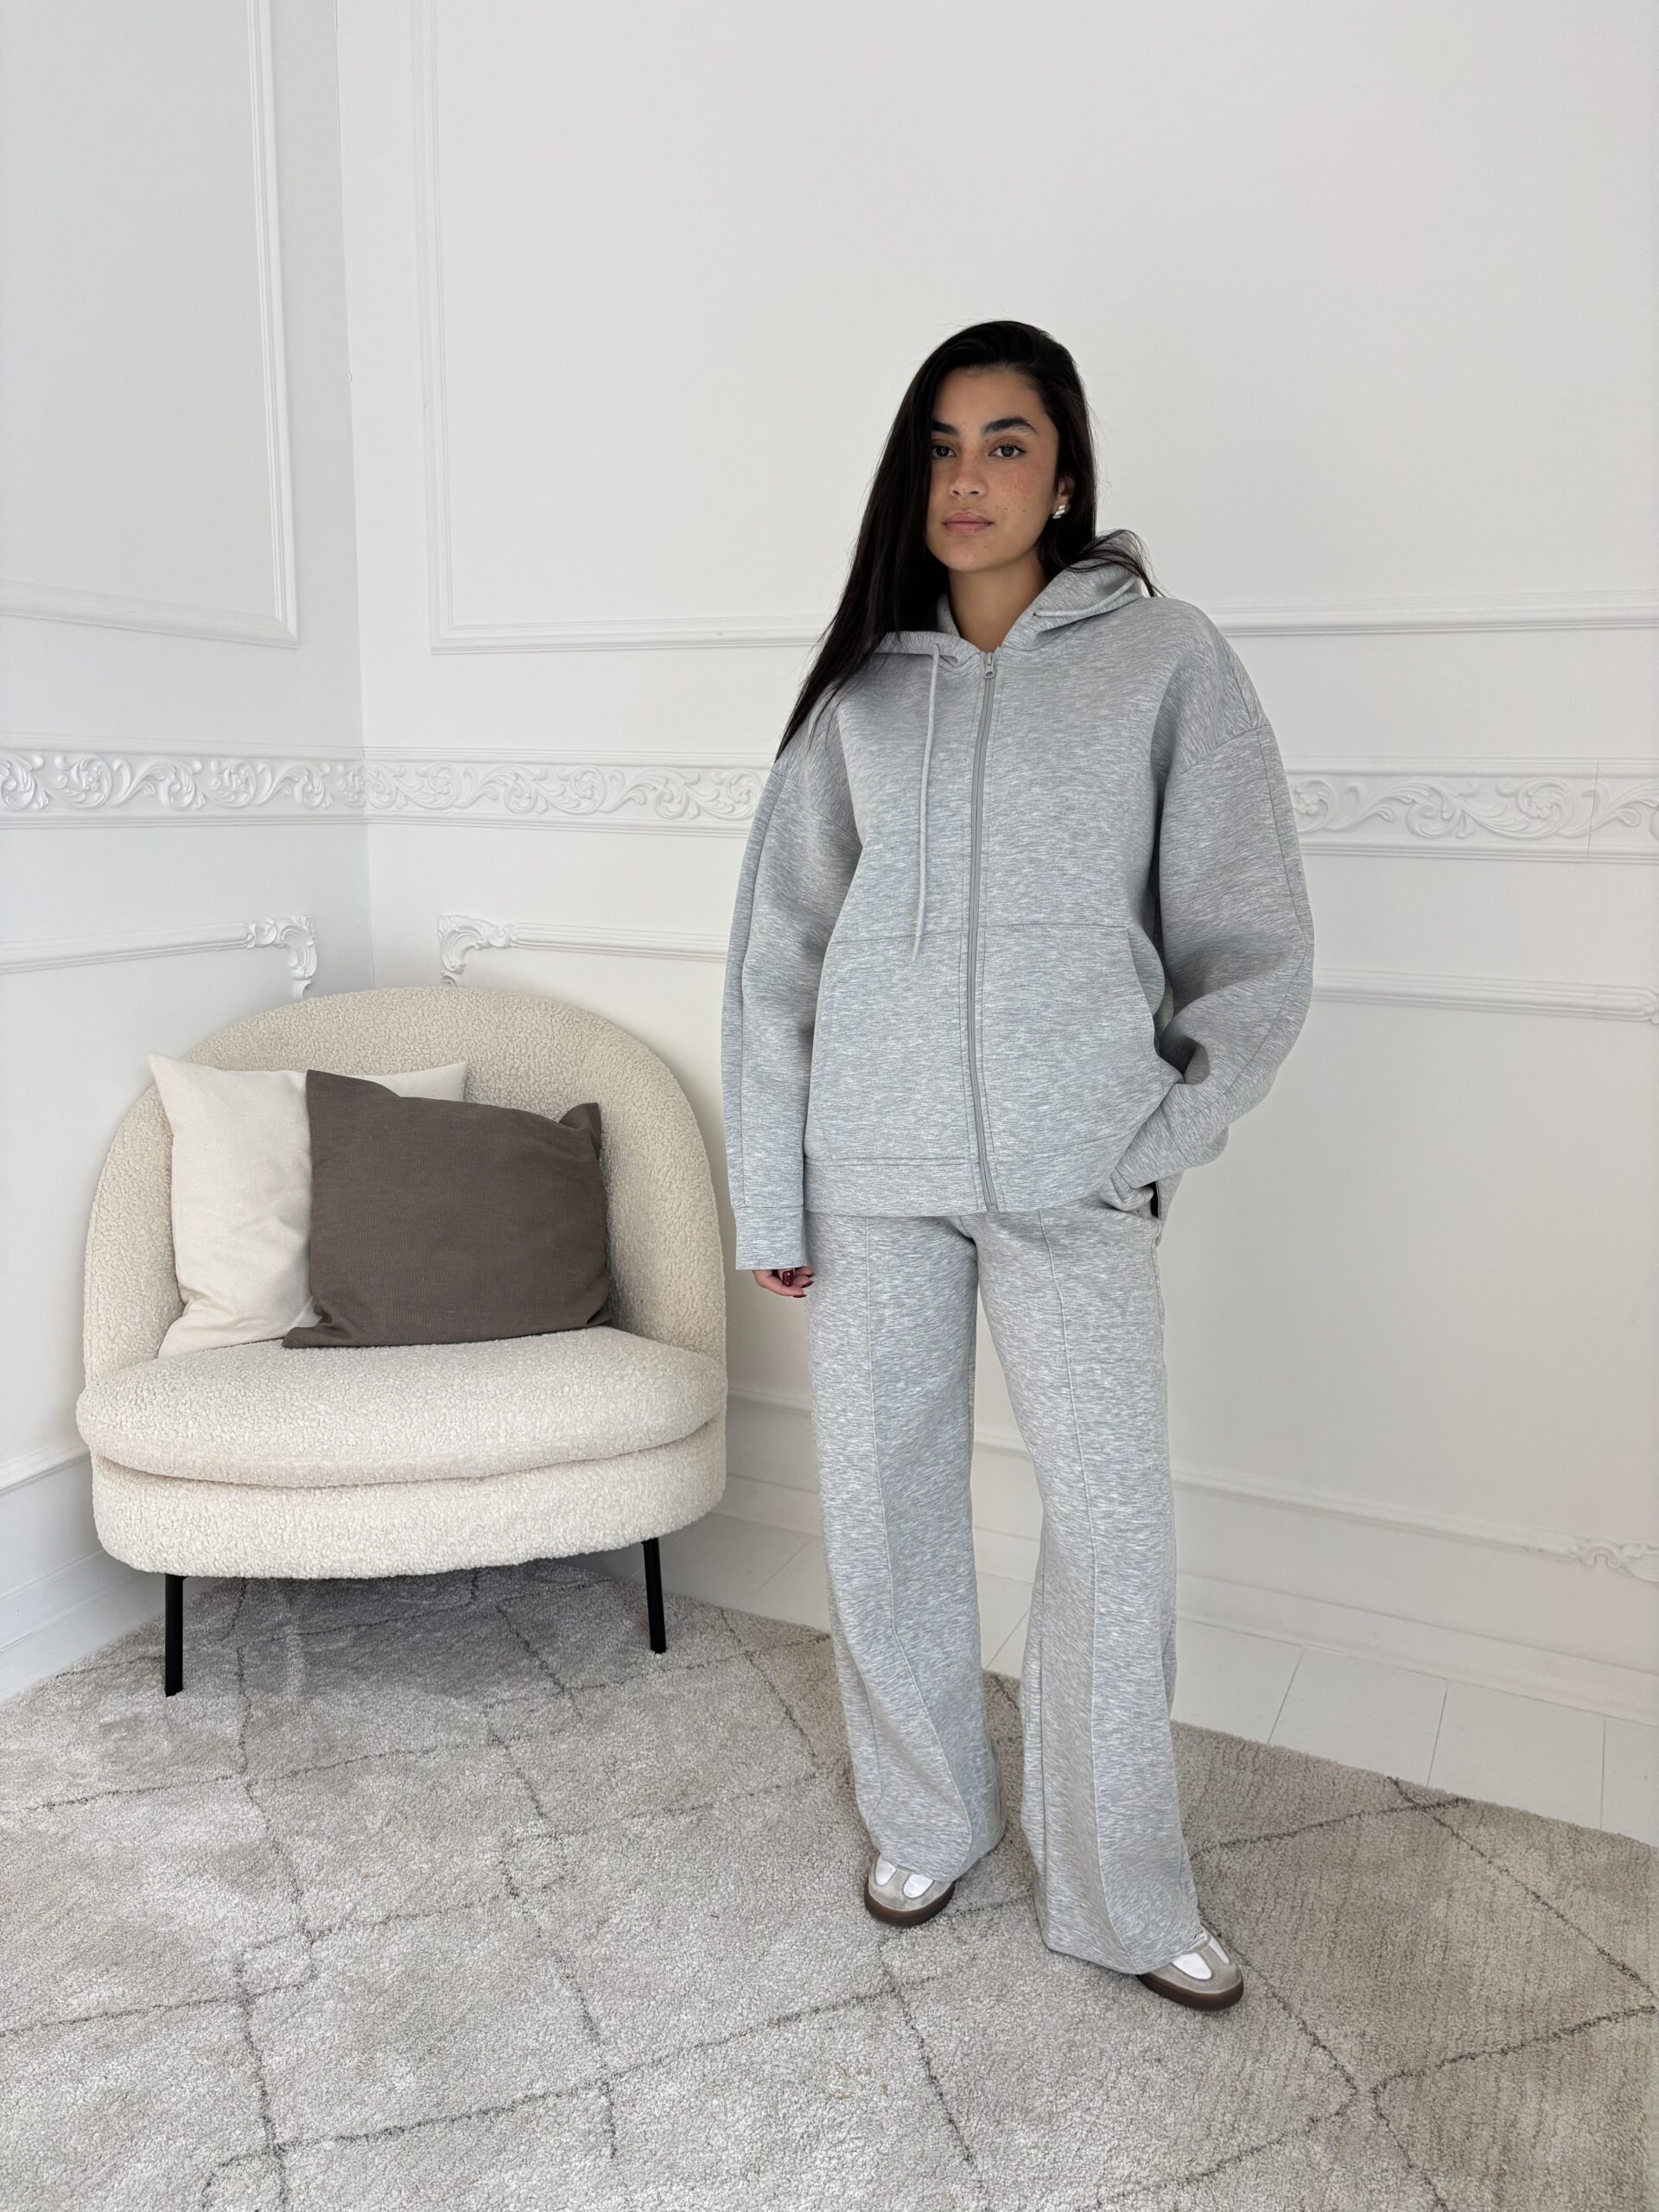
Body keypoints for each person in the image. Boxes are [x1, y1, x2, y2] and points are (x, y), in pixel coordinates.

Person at [718, 320, 1314, 2013]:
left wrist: (1152, 1134)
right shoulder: (861, 688)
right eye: (940, 444)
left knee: (1114, 1532)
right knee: (884, 1511)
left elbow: (1251, 940)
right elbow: (778, 953)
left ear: (1064, 474)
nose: (967, 477)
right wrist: (776, 1186)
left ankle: (1121, 1889)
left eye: (1006, 442)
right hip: (871, 1172)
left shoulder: (1166, 661)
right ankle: (929, 1816)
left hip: (1076, 1182)